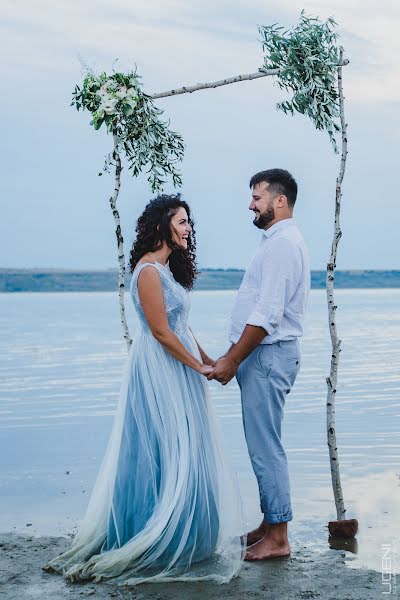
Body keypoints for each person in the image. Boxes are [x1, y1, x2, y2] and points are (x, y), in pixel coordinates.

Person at [43, 194, 244, 585]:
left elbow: (182, 327)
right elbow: (160, 333)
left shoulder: (168, 271)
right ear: (161, 226)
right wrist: (197, 366)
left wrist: (213, 360)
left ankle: (187, 535)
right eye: (182, 221)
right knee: (158, 449)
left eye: (189, 222)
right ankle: (149, 536)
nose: (189, 229)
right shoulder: (149, 271)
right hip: (158, 372)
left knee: (185, 450)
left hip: (181, 367)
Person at [208, 169, 310, 561]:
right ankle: (270, 525)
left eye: (257, 197)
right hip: (262, 356)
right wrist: (231, 353)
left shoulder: (283, 245)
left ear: (279, 200)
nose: (251, 204)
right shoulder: (274, 242)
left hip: (268, 356)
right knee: (262, 444)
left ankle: (279, 537)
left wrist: (233, 360)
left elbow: (267, 314)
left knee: (265, 447)